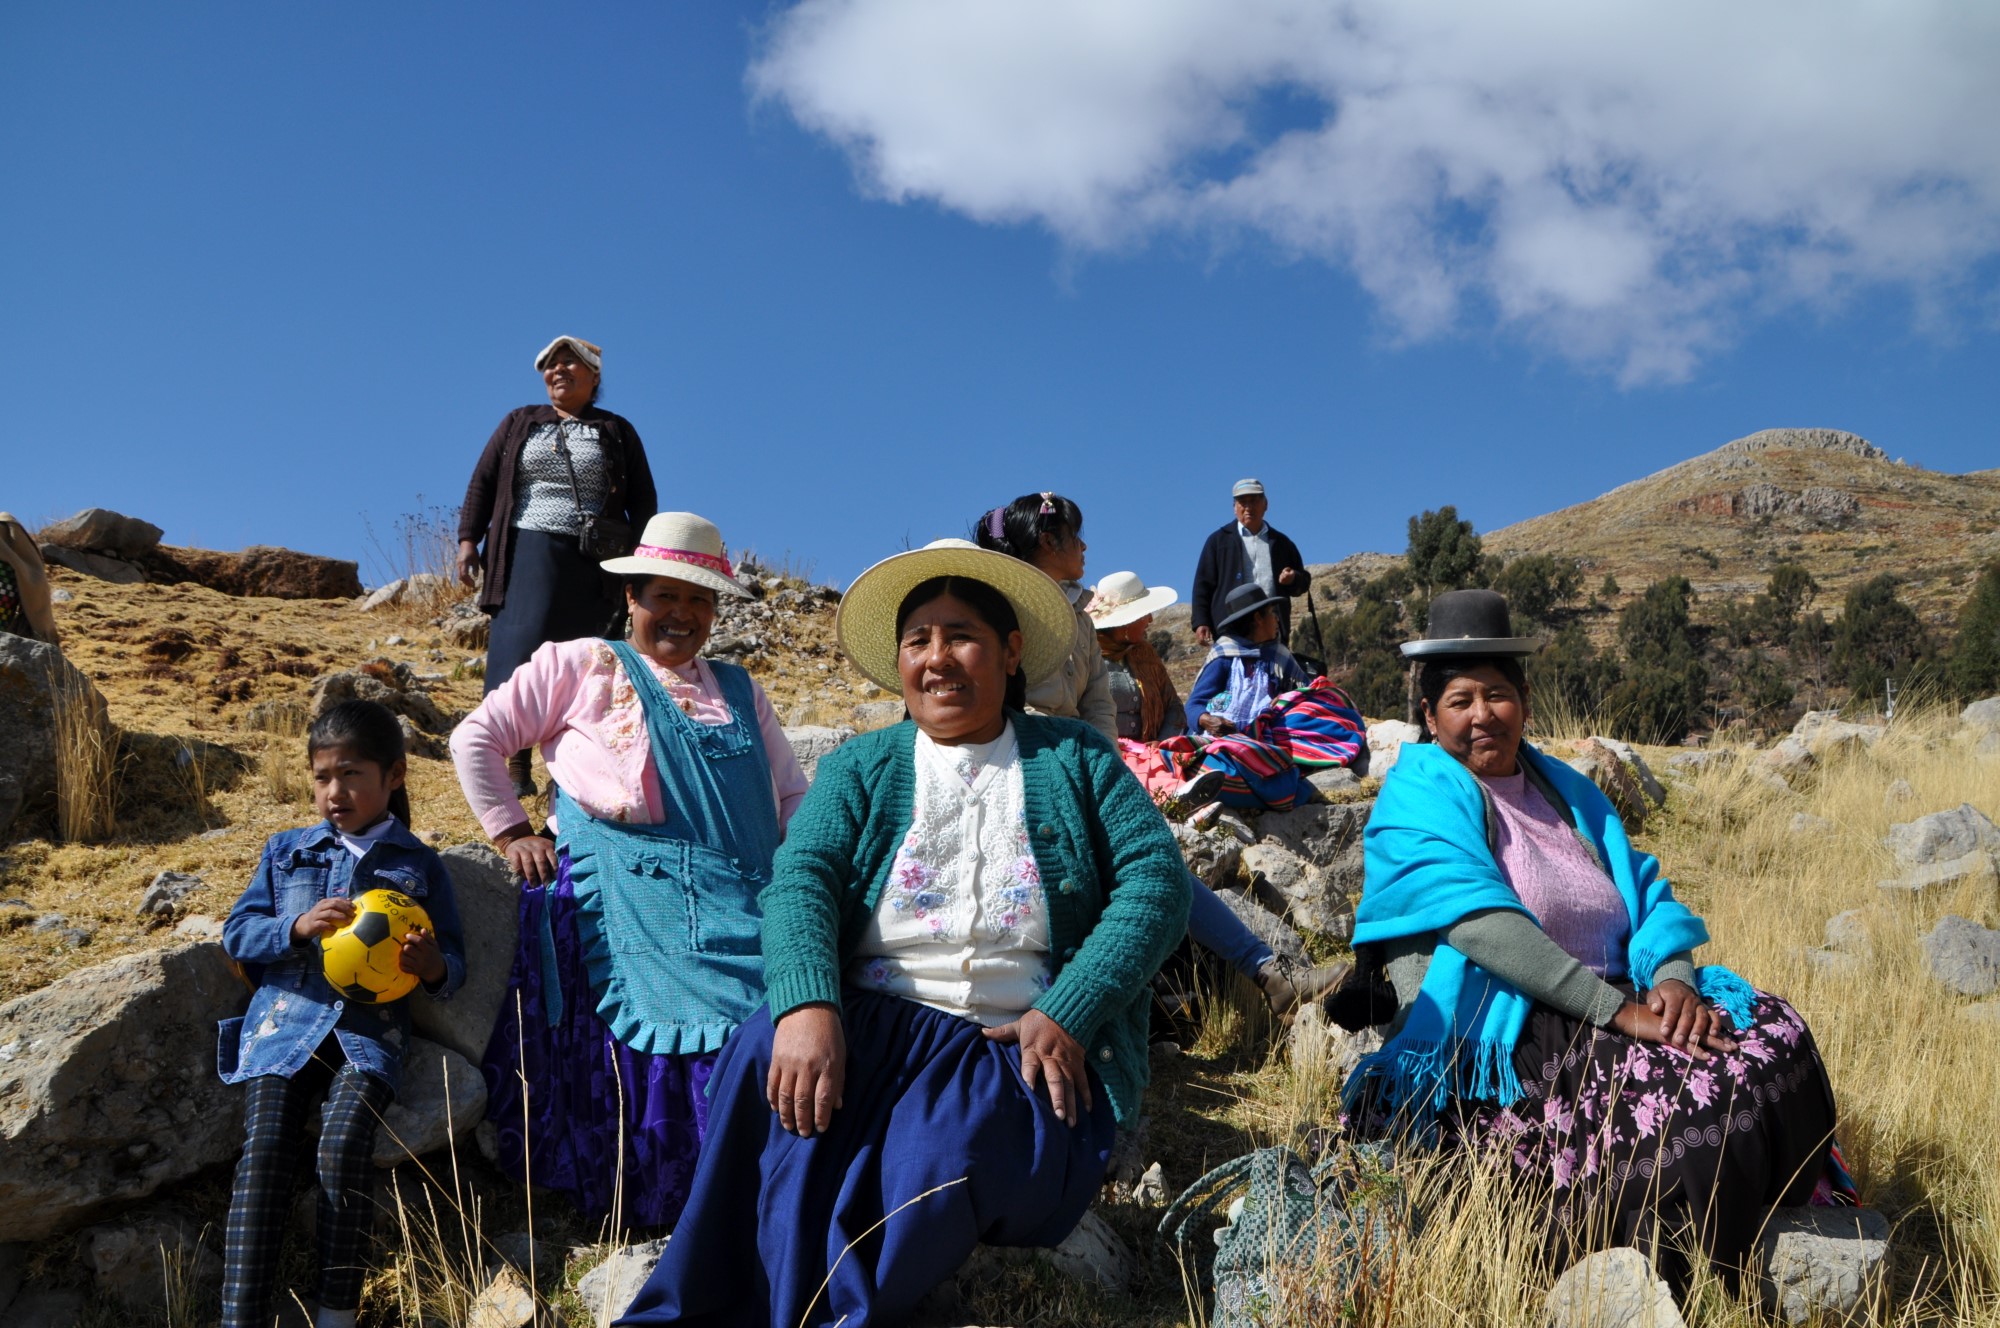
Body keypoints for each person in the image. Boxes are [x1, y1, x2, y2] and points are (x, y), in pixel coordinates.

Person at [617, 539, 1189, 1327]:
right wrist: (808, 1005)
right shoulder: (864, 766)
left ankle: (837, 1315)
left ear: (1010, 651)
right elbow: (802, 879)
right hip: (866, 1021)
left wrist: (1071, 1010)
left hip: (1004, 1043)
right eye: (918, 640)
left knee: (941, 1156)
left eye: (961, 637)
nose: (937, 659)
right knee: (764, 1062)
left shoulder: (1076, 759)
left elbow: (1156, 882)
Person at [1341, 589, 1850, 1287]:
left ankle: (1779, 1202)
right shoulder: (1419, 795)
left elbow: (1648, 894)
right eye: (1460, 700)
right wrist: (1622, 1015)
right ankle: (1689, 1274)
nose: (1482, 715)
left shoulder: (1566, 789)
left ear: (1524, 699)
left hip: (1621, 996)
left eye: (1498, 694)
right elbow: (1483, 928)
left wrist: (1674, 982)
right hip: (1514, 1029)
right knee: (1696, 1102)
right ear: (1429, 715)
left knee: (1772, 1029)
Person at [450, 512, 809, 1231]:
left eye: (699, 600)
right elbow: (476, 738)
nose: (681, 615)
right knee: (682, 1032)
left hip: (744, 897)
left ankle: (780, 1211)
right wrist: (512, 828)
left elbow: (792, 796)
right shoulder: (581, 664)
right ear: (631, 600)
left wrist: (803, 884)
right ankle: (682, 1212)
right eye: (663, 598)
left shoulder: (741, 690)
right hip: (628, 896)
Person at [217, 700, 467, 1328]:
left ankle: (336, 1313)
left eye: (352, 774)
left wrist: (432, 966)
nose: (336, 792)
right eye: (323, 776)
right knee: (266, 1146)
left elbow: (455, 963)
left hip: (369, 1035)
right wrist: (294, 927)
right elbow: (238, 933)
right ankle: (240, 1315)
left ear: (395, 776)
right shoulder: (286, 852)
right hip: (283, 1027)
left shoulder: (420, 866)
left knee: (342, 1143)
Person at [457, 334, 659, 796]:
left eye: (570, 364)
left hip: (597, 563)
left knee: (587, 657)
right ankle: (514, 760)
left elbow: (643, 500)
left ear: (594, 376)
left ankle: (570, 767)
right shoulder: (519, 422)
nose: (558, 371)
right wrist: (469, 539)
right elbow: (483, 481)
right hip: (529, 550)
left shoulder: (617, 430)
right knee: (520, 648)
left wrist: (642, 562)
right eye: (551, 365)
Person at [972, 492, 1116, 740]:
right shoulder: (1004, 611)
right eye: (1075, 537)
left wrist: (1105, 755)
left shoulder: (1081, 615)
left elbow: (1098, 702)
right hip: (1024, 747)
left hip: (1080, 748)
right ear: (1049, 542)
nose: (1083, 546)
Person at [1190, 478, 1311, 650]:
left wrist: (1293, 579)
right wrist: (1201, 622)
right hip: (1230, 631)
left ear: (1265, 504)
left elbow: (1303, 582)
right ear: (1234, 508)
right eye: (1242, 502)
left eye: (1253, 501)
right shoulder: (1218, 541)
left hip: (1272, 630)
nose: (1248, 507)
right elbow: (1203, 585)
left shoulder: (1282, 543)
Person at [1185, 583, 1314, 736]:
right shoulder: (1225, 656)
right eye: (1272, 612)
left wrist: (1287, 699)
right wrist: (1207, 720)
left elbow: (1309, 692)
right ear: (1258, 618)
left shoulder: (1279, 655)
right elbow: (1193, 705)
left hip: (1270, 736)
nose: (1276, 619)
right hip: (1224, 739)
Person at [1086, 569, 1186, 743]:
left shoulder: (1146, 656)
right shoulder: (1086, 656)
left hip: (1150, 754)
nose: (1150, 620)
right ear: (1125, 623)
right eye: (1144, 614)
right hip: (1100, 754)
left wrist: (1163, 743)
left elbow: (1173, 706)